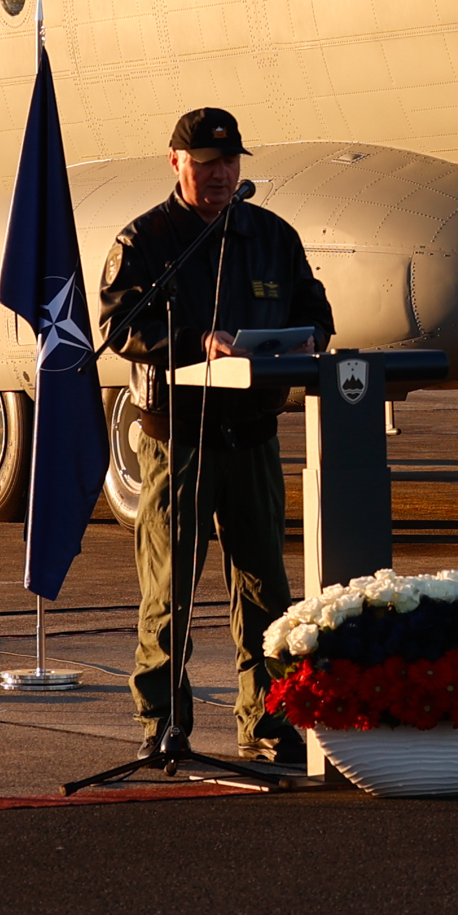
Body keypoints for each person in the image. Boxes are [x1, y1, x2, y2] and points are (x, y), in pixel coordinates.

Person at [96, 107, 330, 765]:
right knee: (169, 596)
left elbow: (315, 309)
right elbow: (120, 327)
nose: (220, 175)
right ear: (176, 164)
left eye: (229, 164)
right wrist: (194, 343)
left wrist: (309, 337)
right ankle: (162, 725)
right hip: (180, 441)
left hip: (252, 437)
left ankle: (268, 720)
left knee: (265, 592)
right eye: (205, 165)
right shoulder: (147, 239)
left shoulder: (270, 235)